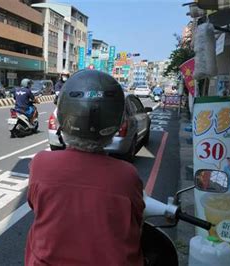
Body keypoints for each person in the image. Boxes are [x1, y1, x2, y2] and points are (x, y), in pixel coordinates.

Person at [25, 69, 145, 265]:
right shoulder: (126, 175)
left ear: (64, 118)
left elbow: (35, 206)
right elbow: (137, 220)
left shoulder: (41, 164)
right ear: (115, 122)